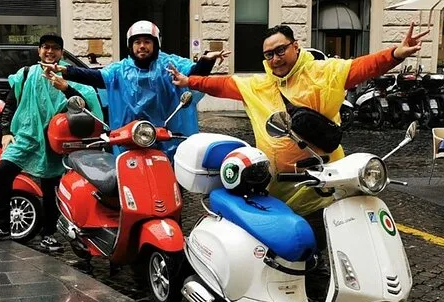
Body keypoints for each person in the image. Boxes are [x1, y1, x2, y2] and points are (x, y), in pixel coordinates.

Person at [169, 22, 428, 219]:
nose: (275, 58)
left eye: (280, 50)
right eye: (269, 55)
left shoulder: (323, 72)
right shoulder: (259, 85)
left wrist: (396, 54)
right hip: (279, 185)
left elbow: (361, 67)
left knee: (330, 235)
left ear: (295, 46)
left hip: (325, 181)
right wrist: (189, 81)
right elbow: (222, 84)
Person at [0, 34, 103, 250]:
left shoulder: (71, 78)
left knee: (50, 187)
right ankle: (1, 226)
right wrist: (5, 132)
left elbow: (87, 108)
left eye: (55, 48)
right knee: (3, 172)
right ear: (39, 50)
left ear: (61, 53)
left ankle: (48, 234)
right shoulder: (26, 74)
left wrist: (66, 88)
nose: (50, 51)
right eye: (46, 47)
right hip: (25, 136)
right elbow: (10, 104)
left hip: (53, 141)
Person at [43, 20, 230, 159]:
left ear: (155, 44)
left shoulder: (169, 64)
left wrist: (207, 60)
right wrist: (66, 70)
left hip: (166, 138)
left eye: (147, 41)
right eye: (137, 42)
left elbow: (194, 76)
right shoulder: (120, 70)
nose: (142, 46)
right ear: (130, 45)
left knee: (171, 186)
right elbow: (97, 77)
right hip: (128, 139)